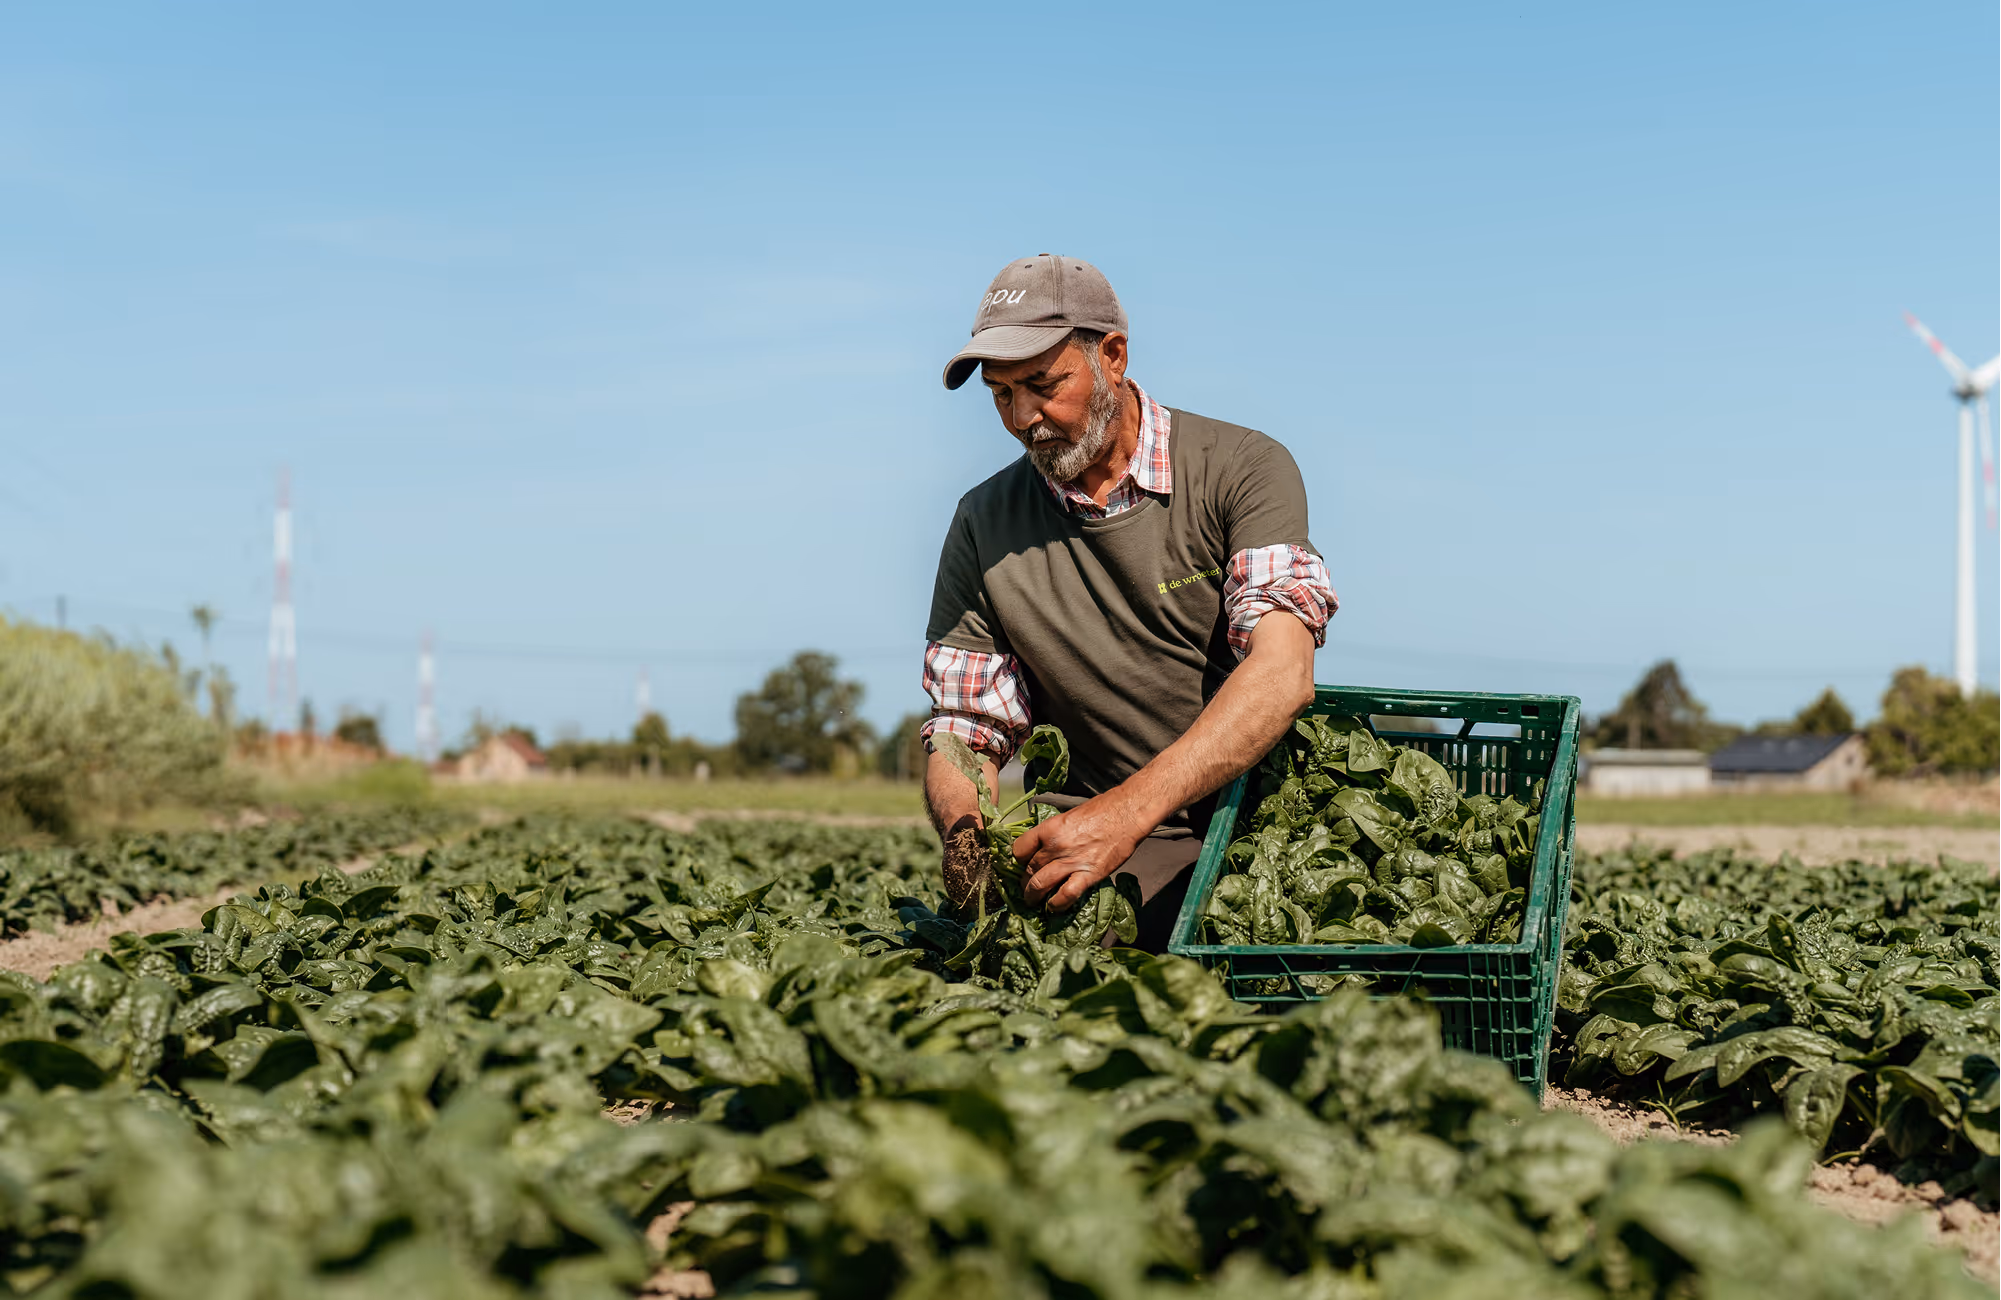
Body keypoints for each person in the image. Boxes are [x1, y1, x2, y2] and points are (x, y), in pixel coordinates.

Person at [922, 254, 1338, 951]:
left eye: (1041, 384)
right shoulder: (982, 522)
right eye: (999, 395)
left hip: (1246, 832)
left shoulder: (1240, 468)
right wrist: (967, 835)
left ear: (1111, 356)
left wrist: (1126, 815)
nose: (1023, 417)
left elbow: (1282, 672)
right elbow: (965, 726)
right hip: (1078, 847)